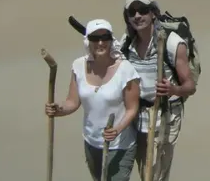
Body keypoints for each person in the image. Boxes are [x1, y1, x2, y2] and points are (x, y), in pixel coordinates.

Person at [45, 19, 141, 181]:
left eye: (105, 37)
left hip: (119, 145)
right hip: (91, 142)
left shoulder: (126, 70)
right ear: (88, 41)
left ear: (111, 40)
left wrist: (116, 130)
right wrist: (58, 109)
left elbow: (132, 108)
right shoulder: (78, 66)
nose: (100, 42)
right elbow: (72, 102)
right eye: (95, 38)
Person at [119, 0, 196, 181]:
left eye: (143, 10)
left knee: (156, 173)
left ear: (153, 13)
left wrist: (173, 90)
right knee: (146, 172)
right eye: (132, 12)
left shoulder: (172, 43)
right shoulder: (126, 43)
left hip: (165, 117)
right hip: (137, 119)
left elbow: (190, 85)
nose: (137, 16)